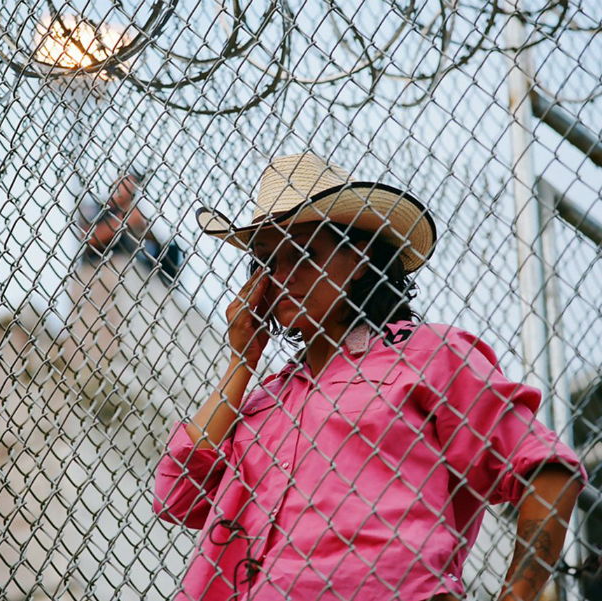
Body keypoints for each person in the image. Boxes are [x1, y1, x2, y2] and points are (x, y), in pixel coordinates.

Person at [153, 153, 586, 601]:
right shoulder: (264, 400)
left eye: (302, 252)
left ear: (359, 259)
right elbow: (178, 494)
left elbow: (548, 470)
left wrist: (516, 596)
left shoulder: (427, 355)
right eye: (265, 260)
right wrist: (242, 362)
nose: (281, 276)